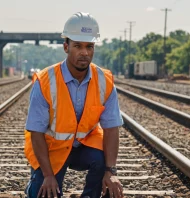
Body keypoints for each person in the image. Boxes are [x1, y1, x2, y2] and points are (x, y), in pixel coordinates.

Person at [24, 12, 124, 198]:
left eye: (89, 46)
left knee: (102, 163)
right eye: (77, 46)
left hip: (84, 147)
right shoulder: (46, 81)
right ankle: (34, 183)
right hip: (52, 150)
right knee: (43, 192)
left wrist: (111, 172)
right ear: (66, 47)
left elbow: (111, 129)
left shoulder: (104, 81)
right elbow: (36, 132)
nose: (84, 52)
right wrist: (47, 175)